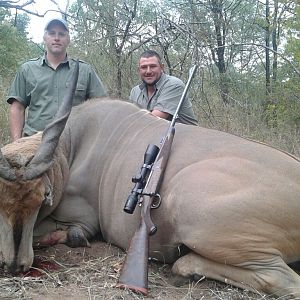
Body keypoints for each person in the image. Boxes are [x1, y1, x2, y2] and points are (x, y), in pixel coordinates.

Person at [6, 18, 107, 141]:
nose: (57, 38)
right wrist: (17, 143)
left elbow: (102, 106)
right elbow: (17, 108)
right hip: (34, 143)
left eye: (62, 34)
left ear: (68, 39)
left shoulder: (85, 70)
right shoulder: (27, 69)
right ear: (45, 37)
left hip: (74, 145)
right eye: (52, 33)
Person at [129, 50, 198, 125]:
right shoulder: (135, 92)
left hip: (186, 134)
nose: (148, 71)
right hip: (153, 134)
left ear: (162, 67)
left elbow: (153, 120)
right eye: (144, 67)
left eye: (152, 66)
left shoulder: (174, 85)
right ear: (139, 70)